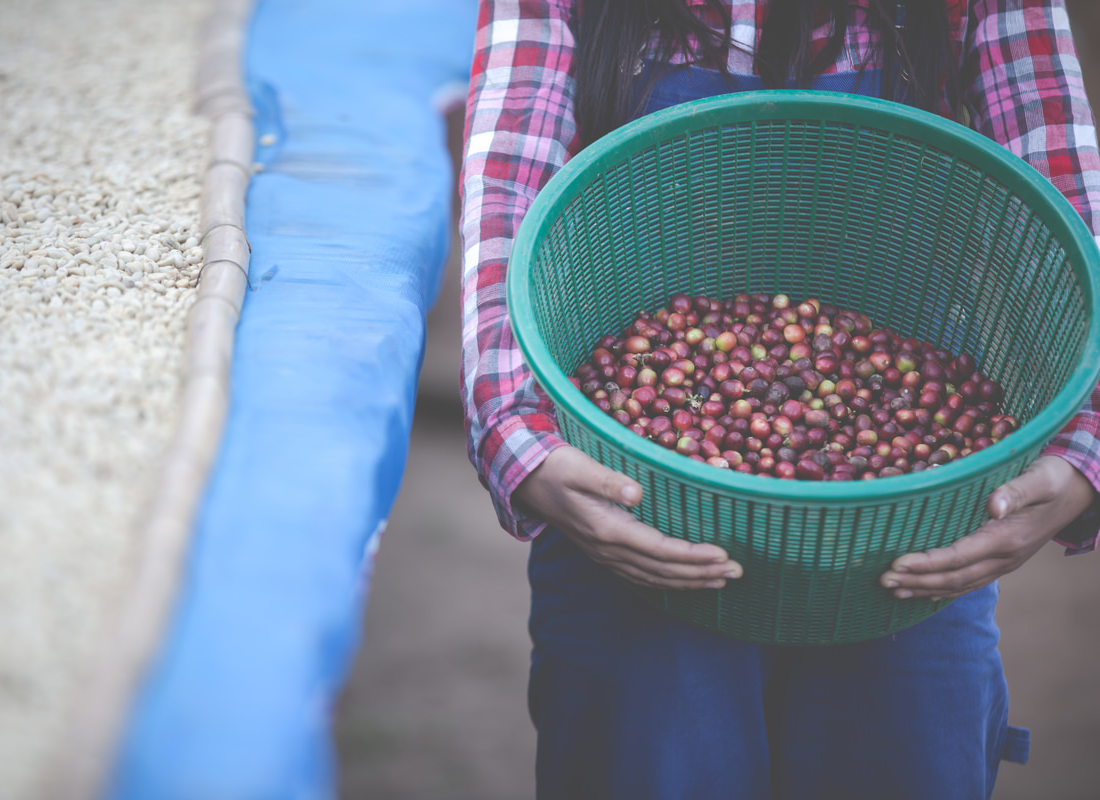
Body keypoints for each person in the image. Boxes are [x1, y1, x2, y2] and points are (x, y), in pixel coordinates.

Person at [459, 1, 1100, 797]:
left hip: (905, 519)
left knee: (905, 751)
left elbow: (1063, 182)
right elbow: (508, 184)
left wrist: (1086, 444)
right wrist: (519, 439)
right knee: (648, 754)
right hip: (636, 493)